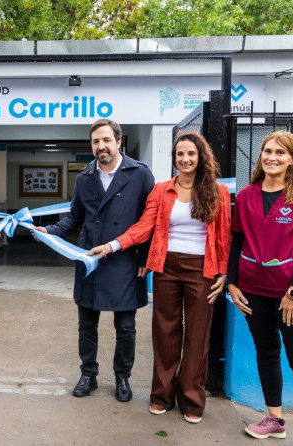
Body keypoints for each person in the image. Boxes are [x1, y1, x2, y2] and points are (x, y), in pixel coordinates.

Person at [89, 132, 231, 423]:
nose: (185, 159)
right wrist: (112, 245)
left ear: (201, 157)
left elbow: (224, 235)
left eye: (191, 154)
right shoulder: (162, 190)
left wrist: (224, 272)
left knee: (197, 335)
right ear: (174, 158)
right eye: (180, 154)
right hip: (166, 266)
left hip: (202, 268)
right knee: (165, 333)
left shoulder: (218, 192)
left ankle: (192, 400)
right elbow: (144, 226)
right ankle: (162, 396)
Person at [33, 119, 154, 402]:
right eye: (96, 141)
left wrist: (146, 257)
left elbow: (150, 220)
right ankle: (88, 374)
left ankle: (122, 377)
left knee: (126, 327)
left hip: (125, 259)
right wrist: (50, 231)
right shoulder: (84, 177)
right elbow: (75, 217)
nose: (101, 146)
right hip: (90, 260)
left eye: (107, 140)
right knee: (86, 324)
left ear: (119, 142)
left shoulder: (140, 174)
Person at [227, 131, 293, 446]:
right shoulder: (246, 195)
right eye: (267, 151)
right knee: (267, 353)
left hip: (292, 297)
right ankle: (275, 420)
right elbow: (237, 241)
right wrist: (232, 282)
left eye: (280, 153)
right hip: (254, 292)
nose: (272, 157)